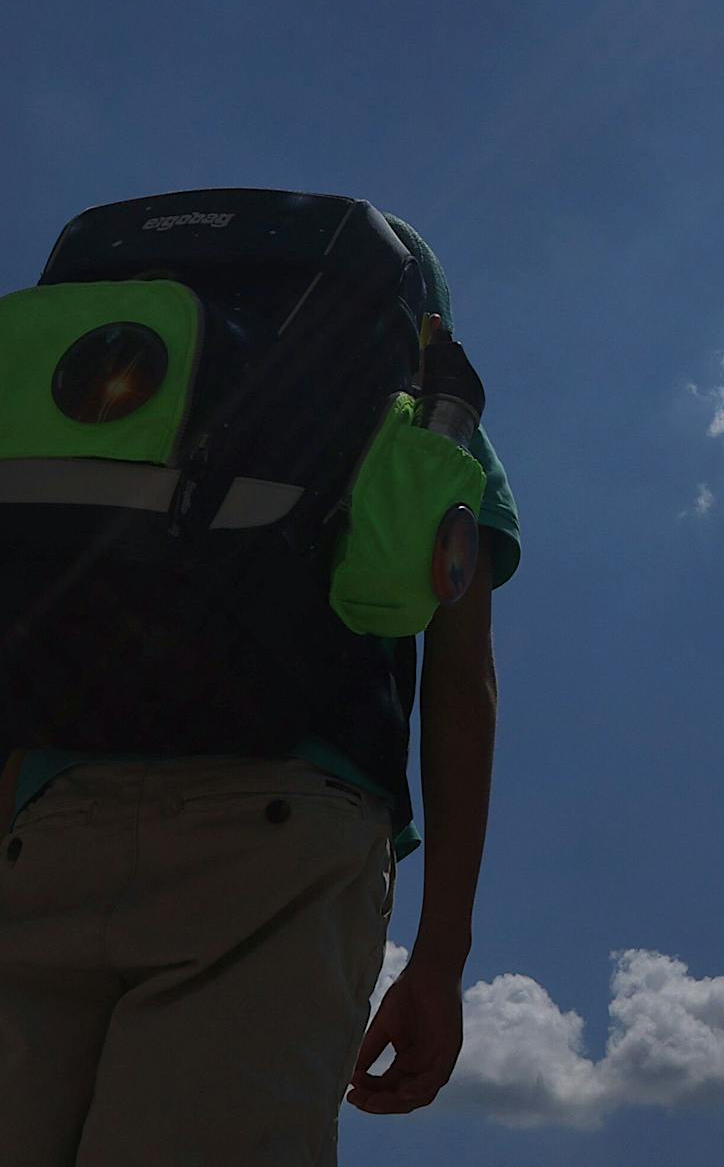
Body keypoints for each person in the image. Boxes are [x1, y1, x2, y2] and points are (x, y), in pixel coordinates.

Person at [0, 209, 520, 1164]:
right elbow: (461, 682)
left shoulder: (73, 391)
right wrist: (440, 957)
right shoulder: (411, 409)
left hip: (44, 833)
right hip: (277, 835)